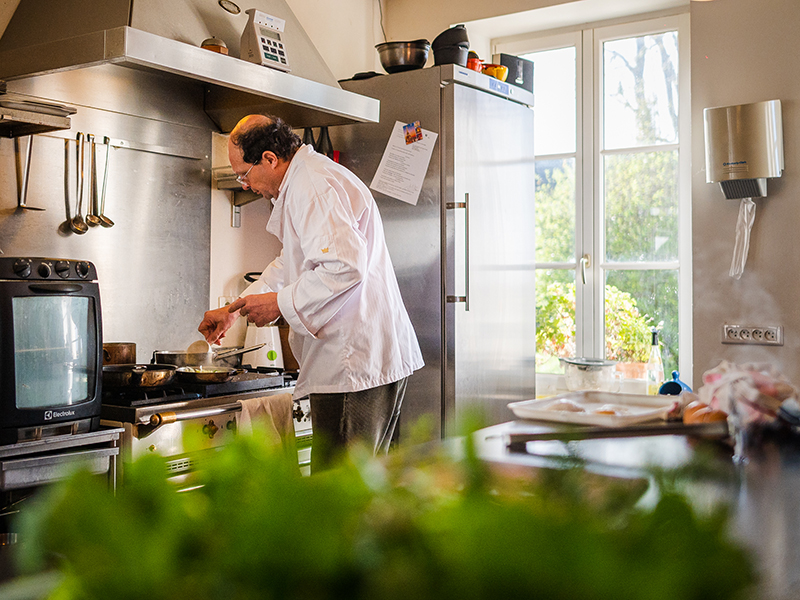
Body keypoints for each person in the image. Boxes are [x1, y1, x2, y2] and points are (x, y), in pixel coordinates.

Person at [199, 114, 423, 471]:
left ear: (270, 159)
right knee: (364, 491)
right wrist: (235, 308)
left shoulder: (312, 184)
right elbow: (293, 261)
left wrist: (278, 304)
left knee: (340, 496)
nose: (245, 184)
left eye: (245, 173)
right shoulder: (306, 179)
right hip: (363, 362)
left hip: (354, 364)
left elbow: (345, 265)